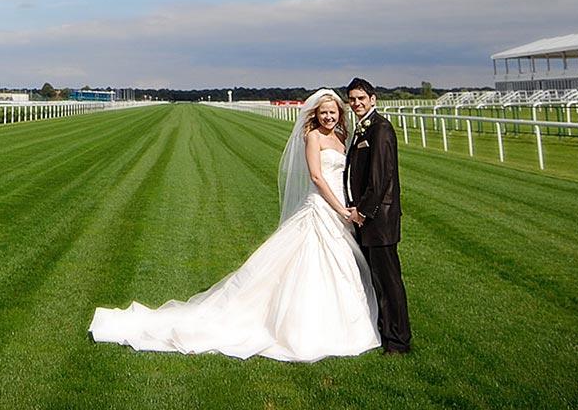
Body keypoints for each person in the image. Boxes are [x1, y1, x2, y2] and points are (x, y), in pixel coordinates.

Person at [90, 88, 380, 362]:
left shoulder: (343, 137)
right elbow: (317, 178)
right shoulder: (313, 138)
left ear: (339, 114)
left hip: (342, 209)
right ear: (315, 114)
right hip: (323, 206)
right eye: (323, 113)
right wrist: (341, 209)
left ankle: (335, 320)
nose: (328, 117)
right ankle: (301, 327)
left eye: (332, 112)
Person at [343, 77, 410, 354]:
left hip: (378, 220)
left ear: (373, 99)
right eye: (352, 99)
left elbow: (381, 177)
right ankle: (385, 332)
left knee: (389, 281)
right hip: (368, 219)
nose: (357, 103)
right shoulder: (362, 129)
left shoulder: (380, 129)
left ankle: (398, 341)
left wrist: (363, 212)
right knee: (377, 281)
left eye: (361, 98)